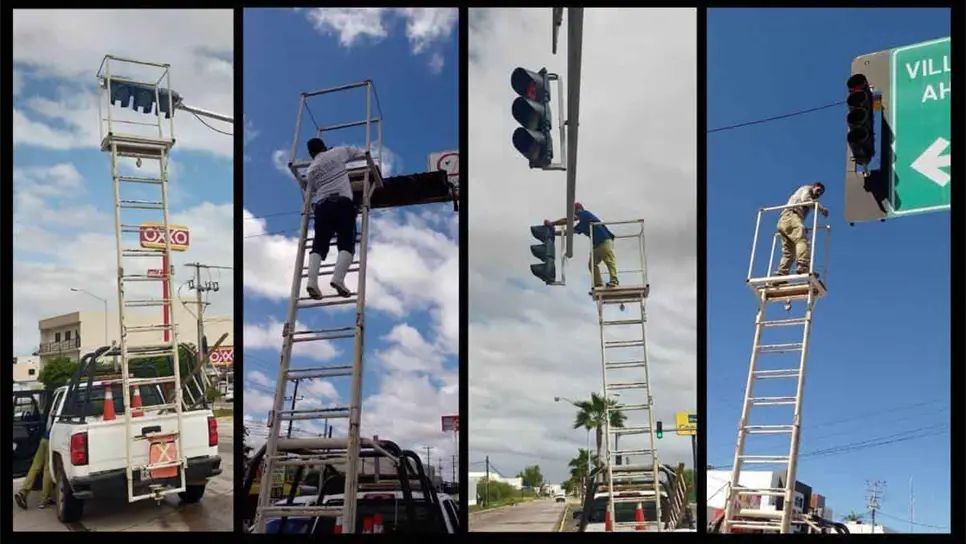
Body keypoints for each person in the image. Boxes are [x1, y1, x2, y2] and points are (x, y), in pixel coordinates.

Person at [303, 137, 368, 300]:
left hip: (322, 206)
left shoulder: (311, 170)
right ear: (324, 147)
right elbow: (361, 153)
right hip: (342, 203)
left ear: (311, 154)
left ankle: (311, 282)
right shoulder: (337, 152)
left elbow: (312, 187)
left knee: (318, 245)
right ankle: (338, 279)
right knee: (346, 242)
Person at [545, 202, 619, 290]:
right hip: (596, 245)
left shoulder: (585, 214)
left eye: (574, 211)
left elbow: (568, 220)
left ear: (578, 209)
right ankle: (598, 284)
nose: (574, 214)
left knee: (609, 260)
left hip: (604, 240)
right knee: (592, 264)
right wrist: (553, 233)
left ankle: (614, 280)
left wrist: (552, 223)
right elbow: (569, 232)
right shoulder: (582, 224)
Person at [775, 182, 827, 278]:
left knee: (789, 252)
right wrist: (821, 209)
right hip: (791, 216)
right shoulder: (807, 189)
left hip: (784, 221)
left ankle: (781, 274)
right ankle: (803, 265)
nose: (818, 194)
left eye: (821, 193)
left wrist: (801, 225)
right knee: (802, 240)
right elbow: (805, 199)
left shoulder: (807, 200)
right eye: (818, 190)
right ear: (813, 187)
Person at [15, 415, 54, 510]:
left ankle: (23, 492)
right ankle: (45, 499)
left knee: (35, 466)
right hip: (51, 439)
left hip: (44, 438)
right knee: (48, 468)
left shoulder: (54, 410)